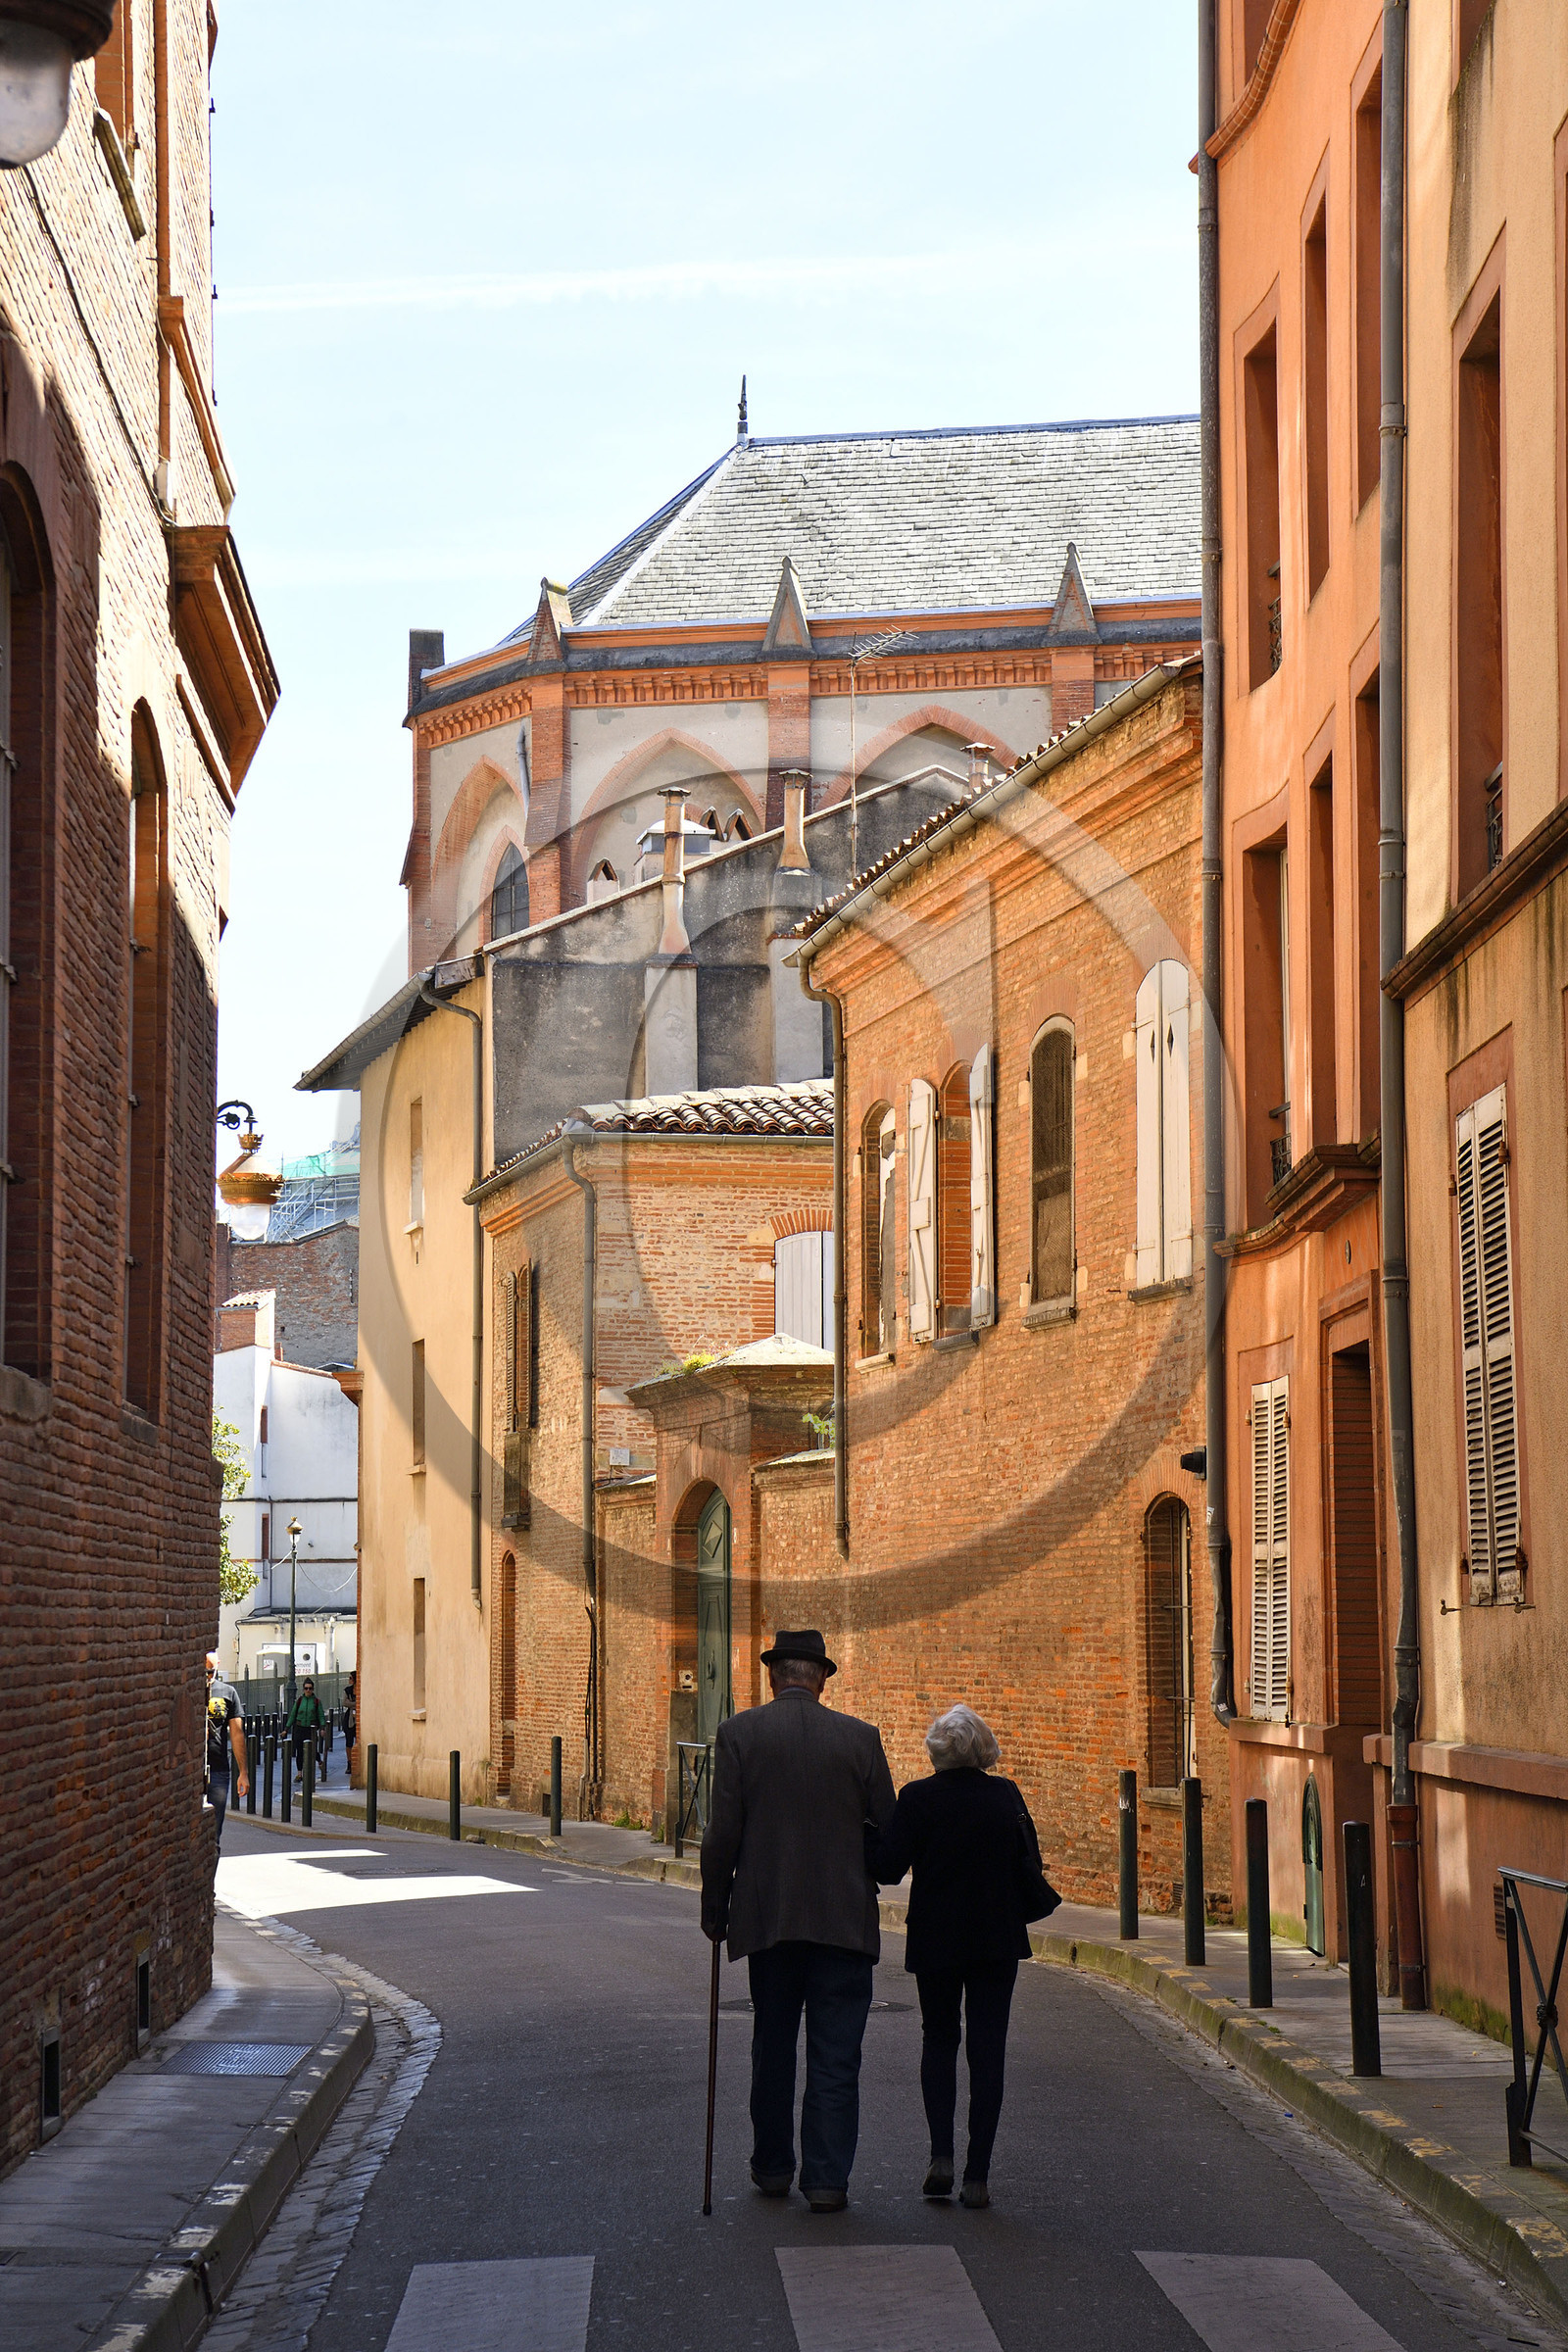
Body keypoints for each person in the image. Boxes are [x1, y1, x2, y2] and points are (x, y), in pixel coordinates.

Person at [700, 1628, 896, 2214]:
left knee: (773, 2045)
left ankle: (774, 2167)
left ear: (772, 1678)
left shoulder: (740, 1735)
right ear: (822, 1679)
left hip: (770, 1921)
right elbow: (888, 1840)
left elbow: (722, 1835)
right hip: (843, 1923)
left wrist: (716, 1908)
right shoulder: (861, 1740)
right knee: (837, 2056)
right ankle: (827, 2180)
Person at [871, 1702, 1056, 2210]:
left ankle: (941, 2156)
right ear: (983, 1748)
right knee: (988, 2048)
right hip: (997, 1939)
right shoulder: (1006, 1795)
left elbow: (887, 1870)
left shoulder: (917, 1798)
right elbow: (1031, 1861)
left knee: (939, 2041)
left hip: (937, 1939)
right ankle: (978, 2174)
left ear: (937, 1750)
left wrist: (866, 1834)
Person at [205, 1654, 248, 1846]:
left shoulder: (228, 1692)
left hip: (218, 1769)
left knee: (214, 1834)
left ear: (217, 1666)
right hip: (188, 1770)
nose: (207, 1676)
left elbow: (237, 1734)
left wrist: (243, 1773)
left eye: (210, 1671)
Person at [285, 1678, 326, 1777]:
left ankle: (319, 1761)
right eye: (306, 1688)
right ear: (303, 1689)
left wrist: (322, 1728)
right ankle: (300, 1774)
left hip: (311, 1729)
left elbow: (321, 1716)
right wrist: (286, 1729)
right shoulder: (299, 1701)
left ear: (313, 1689)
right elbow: (293, 1715)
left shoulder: (316, 1702)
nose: (308, 1690)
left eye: (310, 1688)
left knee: (312, 1749)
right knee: (299, 1751)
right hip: (299, 1729)